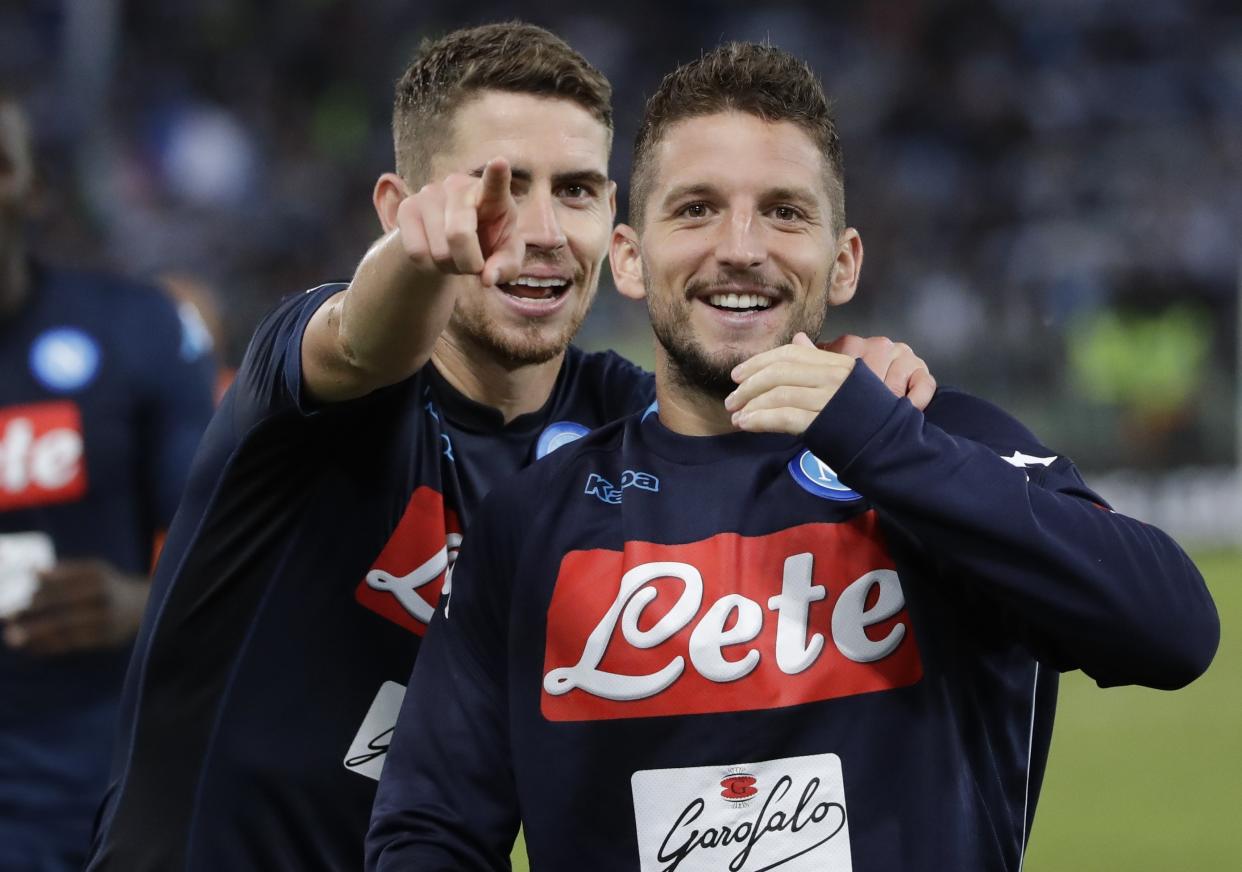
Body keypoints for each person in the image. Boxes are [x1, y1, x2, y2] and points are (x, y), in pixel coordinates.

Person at [86, 23, 934, 872]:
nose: (541, 231)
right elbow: (362, 342)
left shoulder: (627, 424)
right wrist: (420, 263)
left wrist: (859, 386)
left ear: (613, 218)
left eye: (573, 192)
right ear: (397, 210)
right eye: (494, 191)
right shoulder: (307, 379)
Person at [366, 42, 1220, 872]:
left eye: (785, 210)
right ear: (629, 258)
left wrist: (878, 437)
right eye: (696, 209)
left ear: (842, 262)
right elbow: (428, 831)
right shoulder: (531, 521)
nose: (742, 247)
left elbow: (1172, 631)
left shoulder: (945, 442)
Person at [0, 96, 216, 870]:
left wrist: (137, 604)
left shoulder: (134, 330)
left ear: (29, 186)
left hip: (98, 771)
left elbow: (233, 550)